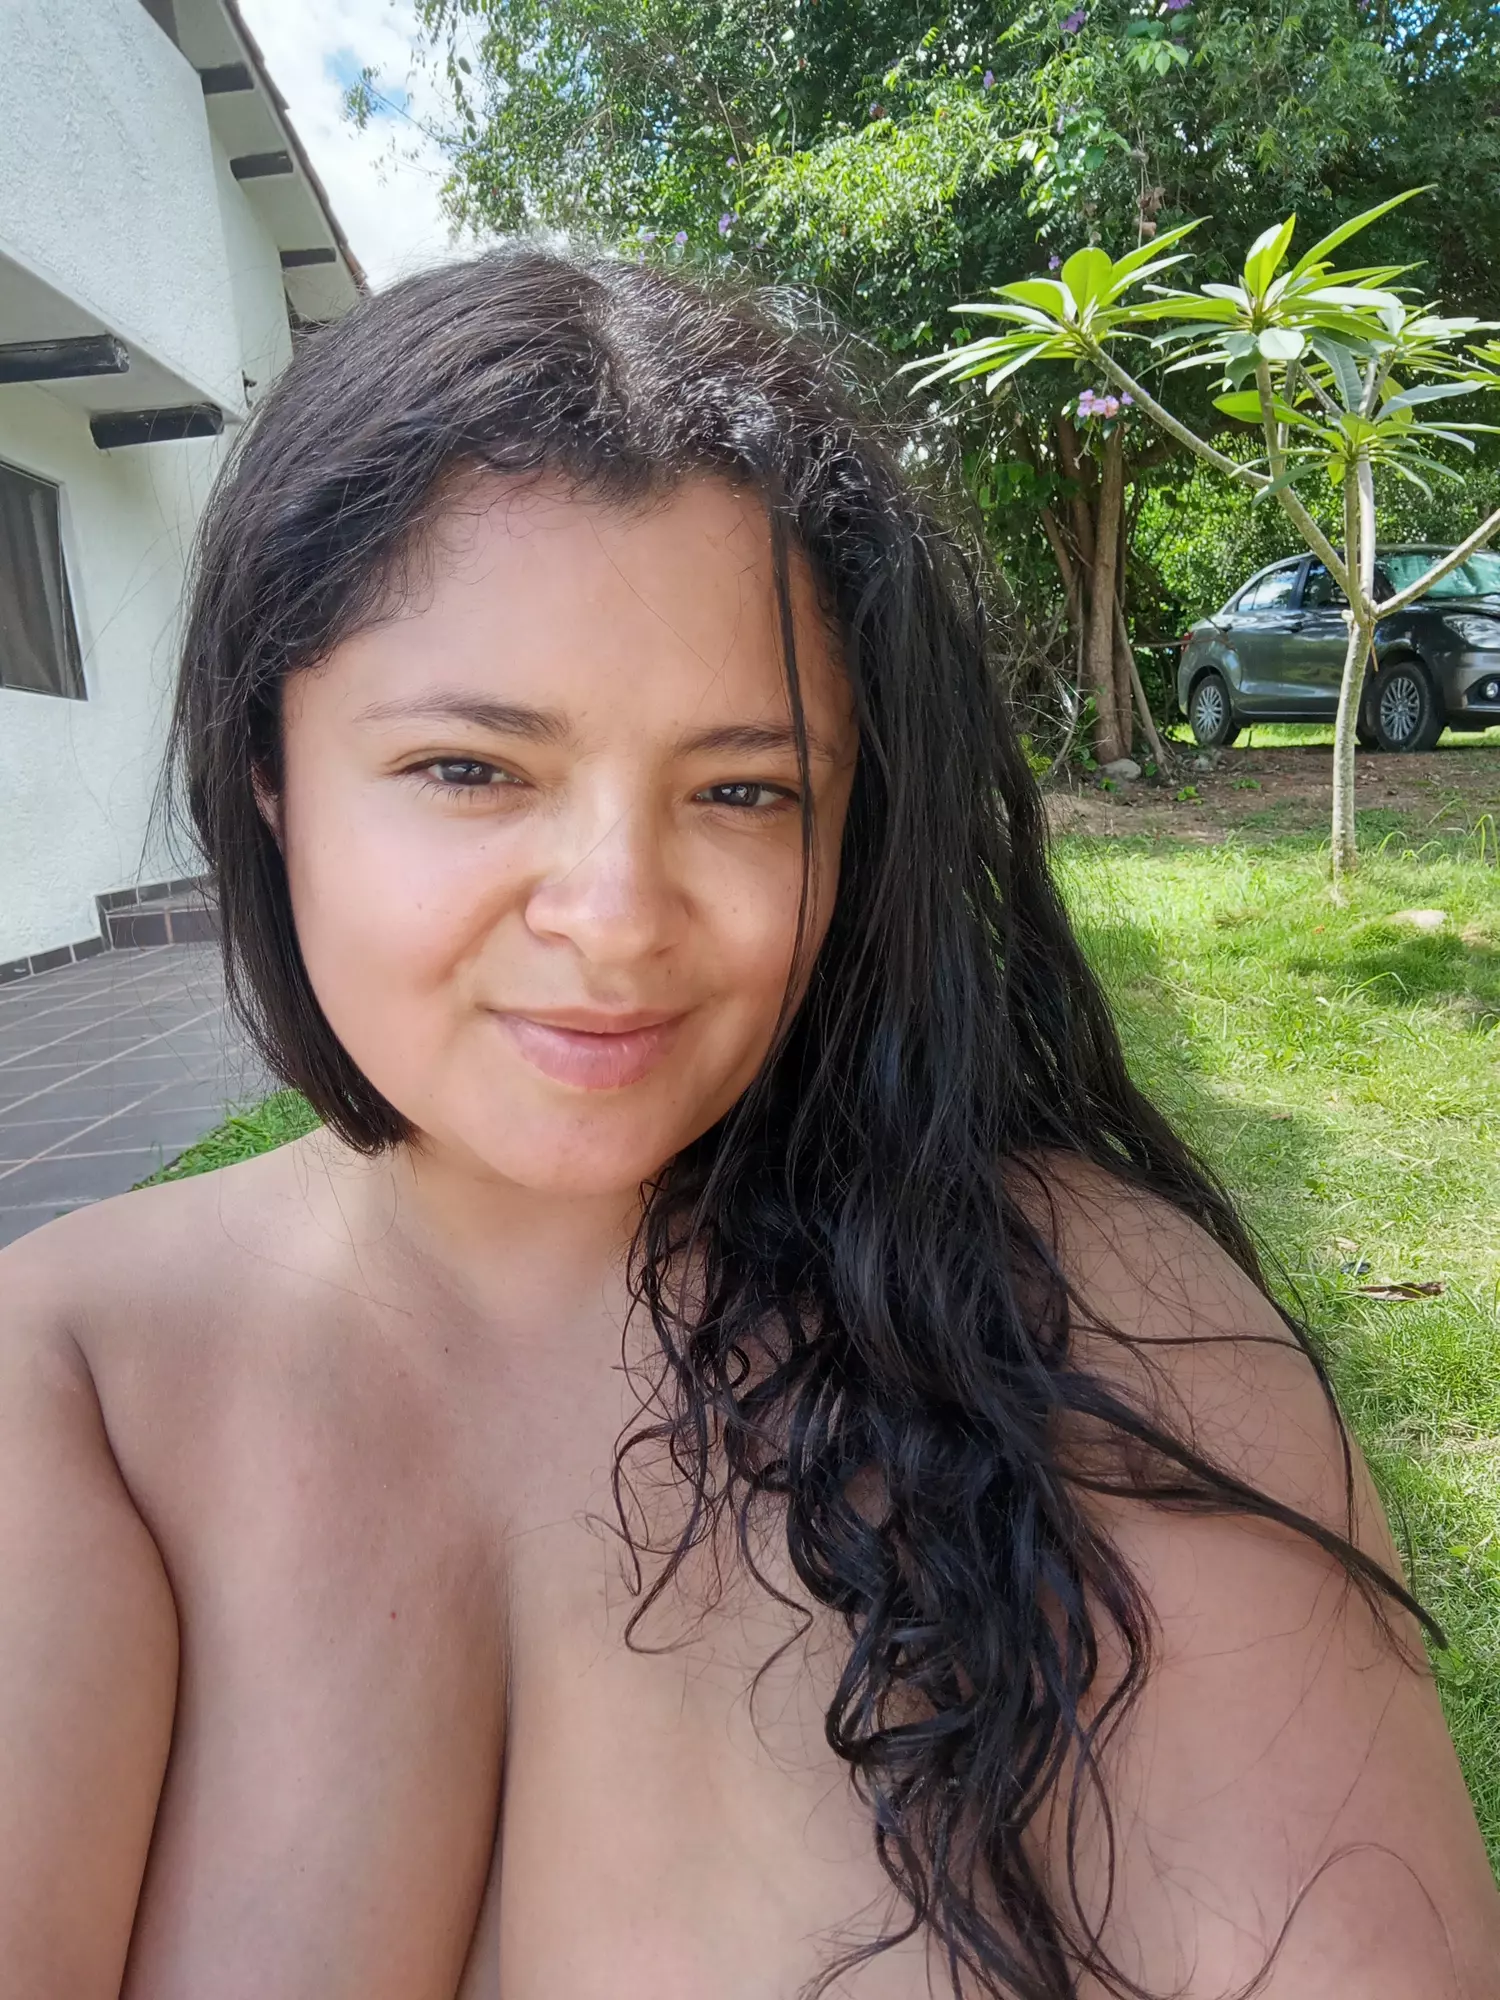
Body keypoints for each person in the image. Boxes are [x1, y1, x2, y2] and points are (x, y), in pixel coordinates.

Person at [1, 245, 1496, 2000]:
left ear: (854, 822)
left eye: (741, 789)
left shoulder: (1100, 1337)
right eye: (470, 769)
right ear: (270, 771)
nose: (616, 917)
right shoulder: (70, 1381)